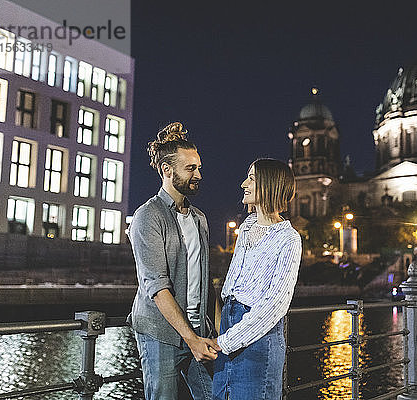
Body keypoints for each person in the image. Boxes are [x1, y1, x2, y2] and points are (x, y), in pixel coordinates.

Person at [127, 122, 220, 400]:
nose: (198, 174)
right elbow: (156, 286)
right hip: (161, 336)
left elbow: (207, 280)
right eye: (190, 168)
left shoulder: (200, 219)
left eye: (199, 167)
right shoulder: (148, 216)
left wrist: (219, 331)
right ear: (167, 170)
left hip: (200, 332)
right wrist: (190, 339)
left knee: (217, 396)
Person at [213, 158, 302, 400]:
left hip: (258, 340)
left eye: (251, 178)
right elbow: (231, 285)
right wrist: (223, 332)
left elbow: (275, 305)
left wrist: (224, 342)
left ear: (269, 185)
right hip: (228, 328)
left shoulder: (289, 239)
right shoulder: (247, 227)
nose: (244, 183)